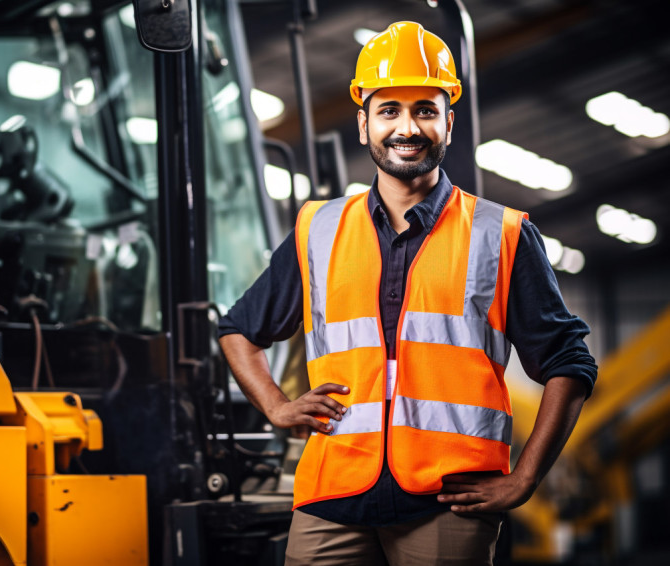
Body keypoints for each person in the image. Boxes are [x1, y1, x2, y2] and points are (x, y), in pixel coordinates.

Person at [218, 20, 597, 566]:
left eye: (424, 109)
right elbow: (237, 330)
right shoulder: (316, 230)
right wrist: (276, 407)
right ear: (363, 122)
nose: (407, 127)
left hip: (449, 503)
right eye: (389, 110)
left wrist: (525, 477)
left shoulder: (501, 233)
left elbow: (569, 363)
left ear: (448, 120)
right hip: (332, 496)